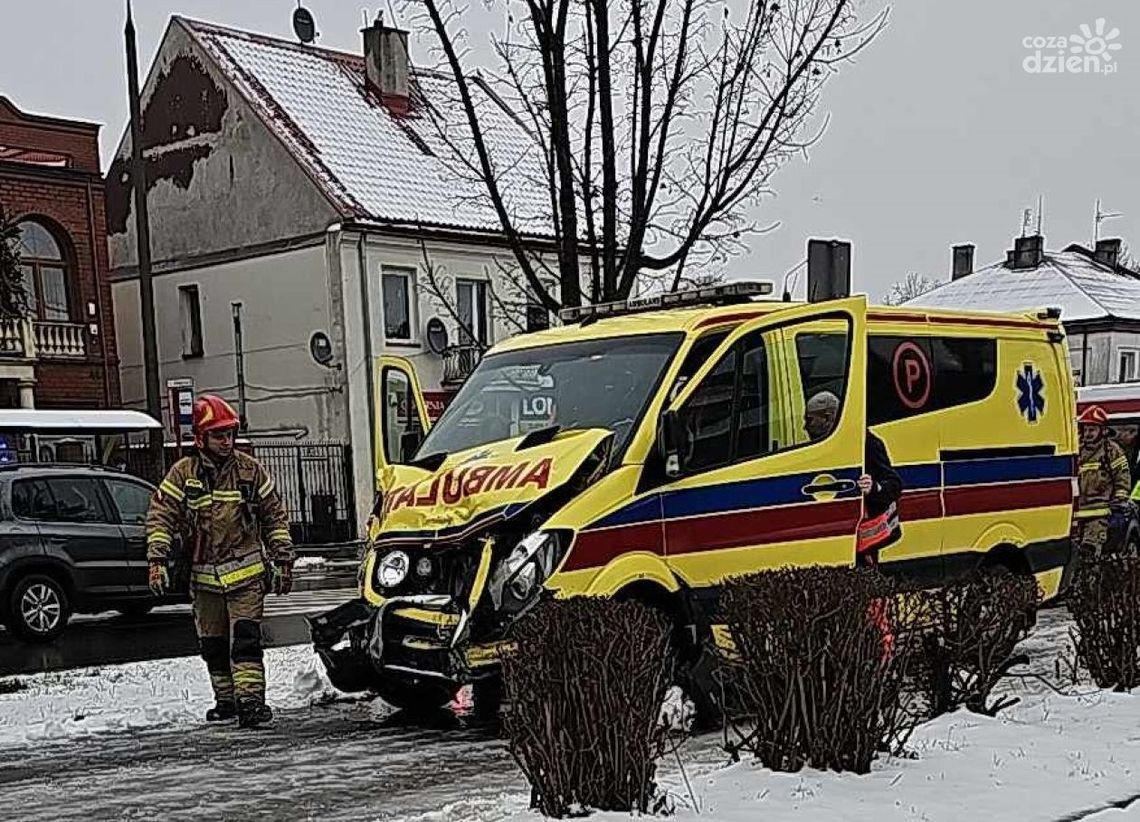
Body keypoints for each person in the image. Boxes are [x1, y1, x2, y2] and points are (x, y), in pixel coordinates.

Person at [146, 395, 295, 728]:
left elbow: (274, 517)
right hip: (204, 579)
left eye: (230, 434)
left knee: (245, 640)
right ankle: (225, 702)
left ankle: (251, 703)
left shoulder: (249, 471)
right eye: (218, 435)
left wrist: (283, 560)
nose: (226, 442)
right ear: (201, 438)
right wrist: (157, 560)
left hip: (246, 576)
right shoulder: (183, 473)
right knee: (212, 645)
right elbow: (161, 516)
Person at [803, 391, 903, 566]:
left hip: (862, 539)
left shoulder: (868, 443)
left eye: (810, 420)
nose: (805, 427)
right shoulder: (820, 447)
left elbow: (894, 484)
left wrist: (874, 487)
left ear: (827, 418)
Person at [1075, 405, 1132, 558]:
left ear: (1103, 430)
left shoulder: (1111, 451)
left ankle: (1094, 580)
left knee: (1090, 551)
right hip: (1075, 515)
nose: (1088, 434)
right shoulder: (1077, 451)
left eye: (1092, 430)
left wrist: (1120, 499)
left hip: (1099, 514)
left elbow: (1122, 476)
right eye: (1086, 429)